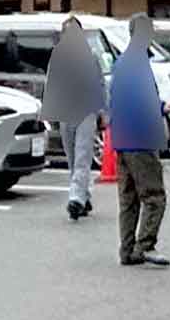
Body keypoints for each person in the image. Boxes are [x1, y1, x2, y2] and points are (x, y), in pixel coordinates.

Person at [109, 13, 170, 267]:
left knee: (128, 199)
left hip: (122, 138)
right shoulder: (138, 63)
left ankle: (127, 250)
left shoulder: (121, 62)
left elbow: (118, 99)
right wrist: (159, 108)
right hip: (141, 138)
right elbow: (141, 101)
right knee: (154, 195)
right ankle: (146, 245)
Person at [41, 15, 107, 221]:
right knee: (71, 157)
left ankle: (75, 199)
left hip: (86, 112)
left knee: (82, 156)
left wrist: (102, 112)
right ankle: (83, 196)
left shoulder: (91, 57)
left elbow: (100, 85)